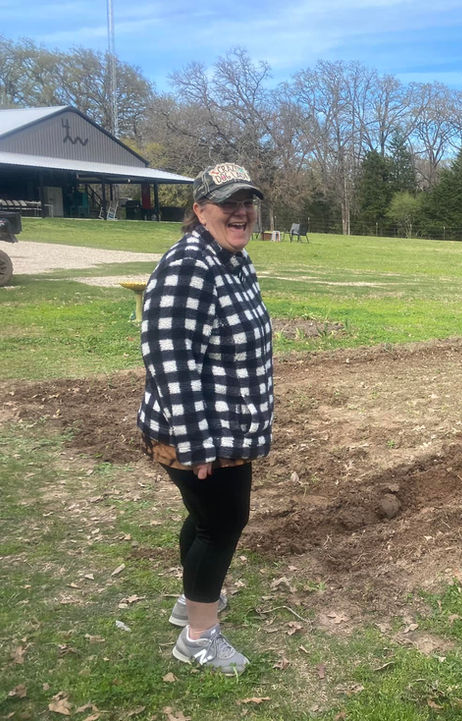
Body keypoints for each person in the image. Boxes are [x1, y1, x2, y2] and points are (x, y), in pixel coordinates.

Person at [138, 163, 274, 674]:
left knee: (207, 519)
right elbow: (170, 360)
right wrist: (196, 448)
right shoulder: (188, 265)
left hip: (229, 427)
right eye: (227, 203)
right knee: (222, 523)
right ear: (199, 210)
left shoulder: (233, 259)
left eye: (247, 203)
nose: (241, 213)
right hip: (199, 433)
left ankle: (193, 601)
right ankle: (198, 636)